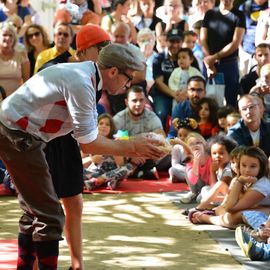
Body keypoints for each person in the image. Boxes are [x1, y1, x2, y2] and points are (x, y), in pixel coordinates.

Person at [0, 43, 166, 270]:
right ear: (113, 72)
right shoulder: (82, 82)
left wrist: (133, 145)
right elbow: (89, 144)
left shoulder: (86, 75)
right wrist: (133, 147)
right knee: (50, 217)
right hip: (16, 133)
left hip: (21, 132)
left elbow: (89, 138)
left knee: (35, 213)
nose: (128, 85)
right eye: (129, 79)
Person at [35, 24, 111, 270]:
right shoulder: (54, 67)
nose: (105, 54)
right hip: (44, 141)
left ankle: (78, 265)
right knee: (45, 210)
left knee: (74, 202)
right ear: (85, 51)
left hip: (68, 141)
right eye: (102, 48)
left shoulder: (98, 75)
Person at [188, 146, 270, 229]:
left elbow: (230, 208)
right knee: (222, 210)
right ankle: (235, 223)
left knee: (237, 214)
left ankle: (207, 218)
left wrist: (239, 182)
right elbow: (228, 205)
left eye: (253, 166)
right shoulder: (248, 179)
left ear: (261, 167)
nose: (247, 170)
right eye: (244, 165)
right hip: (259, 209)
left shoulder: (262, 185)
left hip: (264, 213)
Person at [113, 85, 167, 179]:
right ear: (126, 102)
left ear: (145, 101)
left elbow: (161, 137)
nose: (138, 104)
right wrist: (131, 156)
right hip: (127, 155)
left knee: (168, 154)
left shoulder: (152, 117)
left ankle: (138, 172)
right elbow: (117, 142)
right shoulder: (119, 119)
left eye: (141, 100)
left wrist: (143, 155)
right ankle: (144, 172)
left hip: (147, 156)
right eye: (134, 100)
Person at [200, 0, 246, 107]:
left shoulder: (239, 15)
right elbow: (202, 39)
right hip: (209, 64)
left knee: (230, 101)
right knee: (208, 101)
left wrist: (214, 58)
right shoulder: (210, 14)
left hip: (228, 64)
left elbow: (235, 43)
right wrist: (209, 63)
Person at [84, 113, 133, 190]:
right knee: (74, 170)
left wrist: (116, 150)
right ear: (96, 126)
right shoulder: (89, 142)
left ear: (111, 128)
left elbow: (121, 166)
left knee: (128, 167)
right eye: (101, 123)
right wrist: (91, 159)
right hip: (94, 173)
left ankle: (98, 181)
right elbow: (77, 162)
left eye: (107, 124)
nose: (104, 126)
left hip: (110, 174)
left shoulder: (115, 142)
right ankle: (103, 182)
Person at [151, 28, 183, 129]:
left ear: (182, 42)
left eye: (178, 41)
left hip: (183, 94)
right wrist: (174, 95)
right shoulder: (158, 59)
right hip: (162, 95)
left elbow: (195, 78)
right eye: (172, 41)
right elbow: (159, 83)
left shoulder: (187, 57)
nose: (175, 45)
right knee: (161, 113)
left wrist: (184, 94)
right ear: (166, 41)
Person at [195, 134, 236, 210]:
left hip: (229, 196)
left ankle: (208, 206)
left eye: (221, 153)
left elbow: (216, 187)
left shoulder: (229, 169)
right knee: (204, 191)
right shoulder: (219, 167)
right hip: (220, 195)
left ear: (230, 155)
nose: (217, 156)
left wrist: (213, 172)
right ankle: (209, 204)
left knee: (204, 192)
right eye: (214, 153)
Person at [179, 132, 214, 204]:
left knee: (199, 200)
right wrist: (196, 162)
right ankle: (193, 193)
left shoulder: (211, 158)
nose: (195, 145)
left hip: (211, 186)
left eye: (198, 143)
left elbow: (213, 182)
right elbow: (193, 181)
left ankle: (198, 195)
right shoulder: (190, 161)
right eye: (191, 144)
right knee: (187, 170)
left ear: (204, 145)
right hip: (199, 185)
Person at [238, 0, 268, 77]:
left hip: (266, 54)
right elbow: (238, 29)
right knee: (246, 80)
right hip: (247, 52)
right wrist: (240, 51)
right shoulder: (245, 7)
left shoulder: (269, 6)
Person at [0, 21, 29, 96]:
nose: (8, 38)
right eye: (4, 35)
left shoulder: (21, 54)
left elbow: (27, 83)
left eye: (11, 35)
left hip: (16, 100)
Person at [168, 117, 200, 183]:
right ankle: (186, 179)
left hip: (195, 170)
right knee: (171, 170)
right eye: (180, 135)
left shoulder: (195, 146)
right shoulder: (176, 147)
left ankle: (188, 179)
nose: (182, 138)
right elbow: (175, 164)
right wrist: (186, 169)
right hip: (184, 170)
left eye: (185, 135)